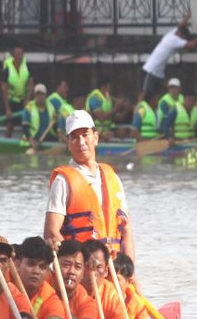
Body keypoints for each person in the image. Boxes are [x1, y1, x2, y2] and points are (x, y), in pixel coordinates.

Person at [44, 110, 134, 262]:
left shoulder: (113, 177)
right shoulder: (63, 181)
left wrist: (129, 271)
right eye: (74, 137)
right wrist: (81, 262)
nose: (81, 142)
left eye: (85, 135)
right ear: (68, 143)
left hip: (114, 266)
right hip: (83, 270)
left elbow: (126, 230)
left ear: (96, 137)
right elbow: (51, 232)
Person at [15, 236, 66, 319]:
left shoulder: (49, 297)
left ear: (48, 271)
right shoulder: (4, 282)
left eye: (42, 267)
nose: (36, 271)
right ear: (17, 264)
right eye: (31, 264)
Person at [140, 14, 197, 99]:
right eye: (183, 37)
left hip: (159, 72)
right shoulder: (174, 40)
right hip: (151, 69)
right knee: (145, 94)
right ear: (180, 34)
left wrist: (188, 17)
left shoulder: (172, 33)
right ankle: (138, 110)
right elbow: (191, 45)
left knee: (157, 94)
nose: (182, 40)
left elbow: (181, 25)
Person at [18, 84, 58, 152]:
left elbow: (54, 126)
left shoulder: (50, 107)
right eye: (37, 94)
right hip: (32, 139)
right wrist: (31, 141)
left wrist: (56, 120)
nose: (40, 97)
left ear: (45, 95)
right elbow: (25, 127)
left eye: (42, 94)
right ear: (35, 96)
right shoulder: (29, 108)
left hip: (46, 138)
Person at [1, 46, 32, 127]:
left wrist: (27, 99)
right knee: (10, 126)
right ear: (13, 55)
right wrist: (8, 108)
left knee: (26, 124)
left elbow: (31, 84)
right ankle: (7, 139)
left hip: (23, 100)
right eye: (17, 54)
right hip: (12, 101)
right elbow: (4, 89)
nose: (19, 56)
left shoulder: (26, 66)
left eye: (21, 54)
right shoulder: (8, 68)